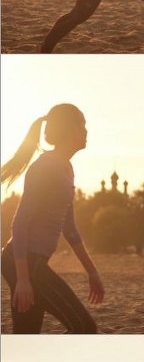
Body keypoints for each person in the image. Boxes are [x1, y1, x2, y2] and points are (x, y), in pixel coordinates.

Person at [1, 104, 103, 332]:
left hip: (32, 263)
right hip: (25, 264)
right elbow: (20, 222)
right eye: (82, 125)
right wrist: (23, 279)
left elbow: (70, 229)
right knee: (85, 329)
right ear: (68, 129)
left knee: (27, 337)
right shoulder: (46, 166)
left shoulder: (66, 168)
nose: (86, 131)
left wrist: (92, 272)